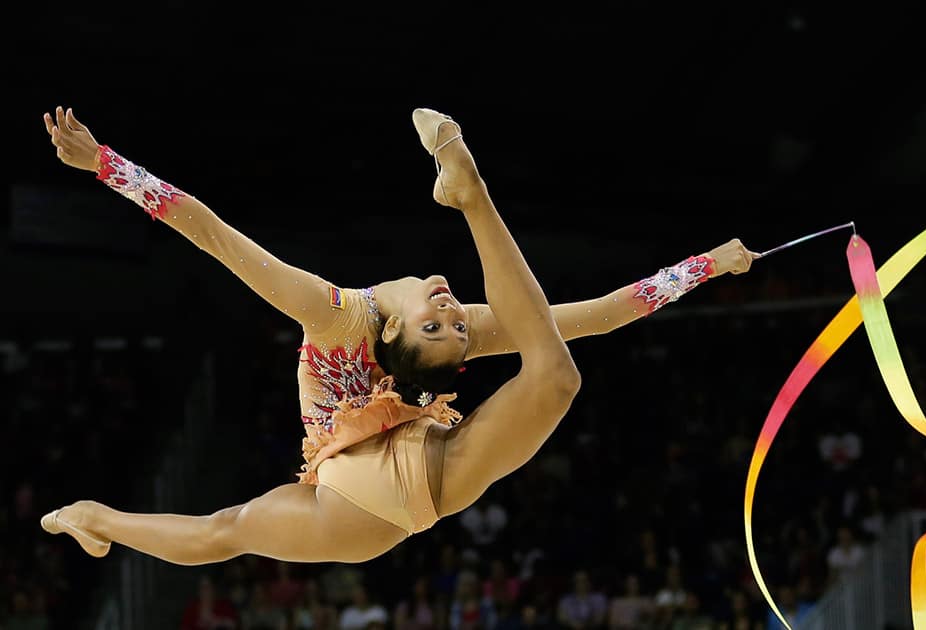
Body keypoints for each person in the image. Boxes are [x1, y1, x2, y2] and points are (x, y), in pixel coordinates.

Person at [38, 105, 754, 565]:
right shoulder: (402, 323)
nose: (450, 310)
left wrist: (107, 165)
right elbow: (603, 311)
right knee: (554, 367)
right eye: (450, 325)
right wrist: (704, 266)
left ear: (395, 334)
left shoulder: (334, 311)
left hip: (371, 488)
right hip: (386, 487)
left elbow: (211, 233)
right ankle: (471, 198)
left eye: (438, 325)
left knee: (225, 532)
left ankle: (98, 517)